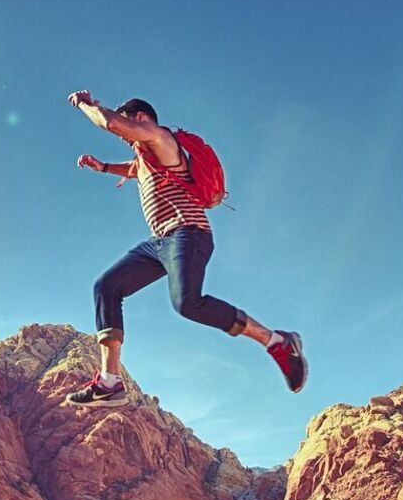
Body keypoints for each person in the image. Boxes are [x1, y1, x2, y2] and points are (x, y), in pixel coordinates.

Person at [64, 90, 305, 408]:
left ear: (140, 119)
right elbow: (134, 169)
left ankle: (277, 342)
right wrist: (104, 167)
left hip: (188, 234)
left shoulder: (160, 137)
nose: (126, 138)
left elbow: (110, 123)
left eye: (129, 125)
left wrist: (87, 105)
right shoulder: (146, 156)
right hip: (158, 243)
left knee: (187, 303)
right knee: (106, 287)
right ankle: (109, 383)